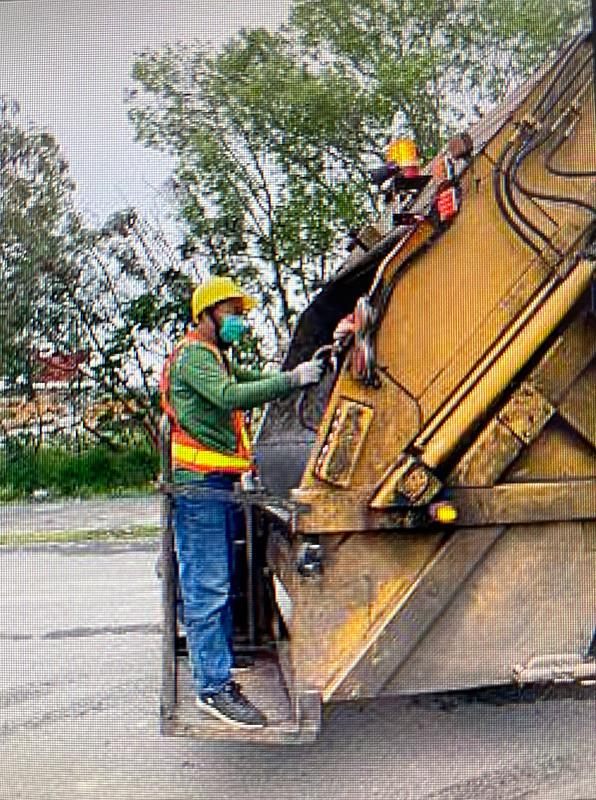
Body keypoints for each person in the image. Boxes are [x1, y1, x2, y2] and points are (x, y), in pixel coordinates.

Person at [160, 276, 324, 729]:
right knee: (208, 583)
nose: (238, 322)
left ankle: (217, 665)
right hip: (199, 487)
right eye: (232, 313)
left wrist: (301, 375)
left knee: (219, 576)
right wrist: (292, 379)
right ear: (207, 316)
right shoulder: (194, 357)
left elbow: (252, 381)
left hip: (215, 483)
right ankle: (212, 687)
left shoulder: (214, 357)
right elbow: (232, 396)